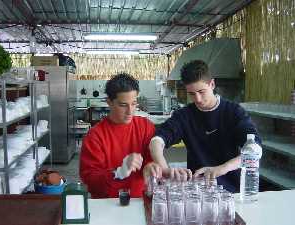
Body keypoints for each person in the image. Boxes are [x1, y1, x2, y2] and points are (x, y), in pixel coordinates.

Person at [149, 60, 261, 192]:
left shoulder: (234, 112)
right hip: (197, 190)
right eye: (191, 94)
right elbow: (156, 141)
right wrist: (165, 169)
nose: (197, 99)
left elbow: (255, 150)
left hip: (232, 190)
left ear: (212, 84)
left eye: (201, 91)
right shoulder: (184, 116)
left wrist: (222, 168)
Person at [80, 73, 161, 198]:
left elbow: (151, 160)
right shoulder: (95, 136)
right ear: (109, 102)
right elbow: (90, 180)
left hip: (139, 201)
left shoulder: (146, 126)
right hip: (107, 203)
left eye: (134, 103)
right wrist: (119, 172)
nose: (130, 111)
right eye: (123, 105)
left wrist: (151, 167)